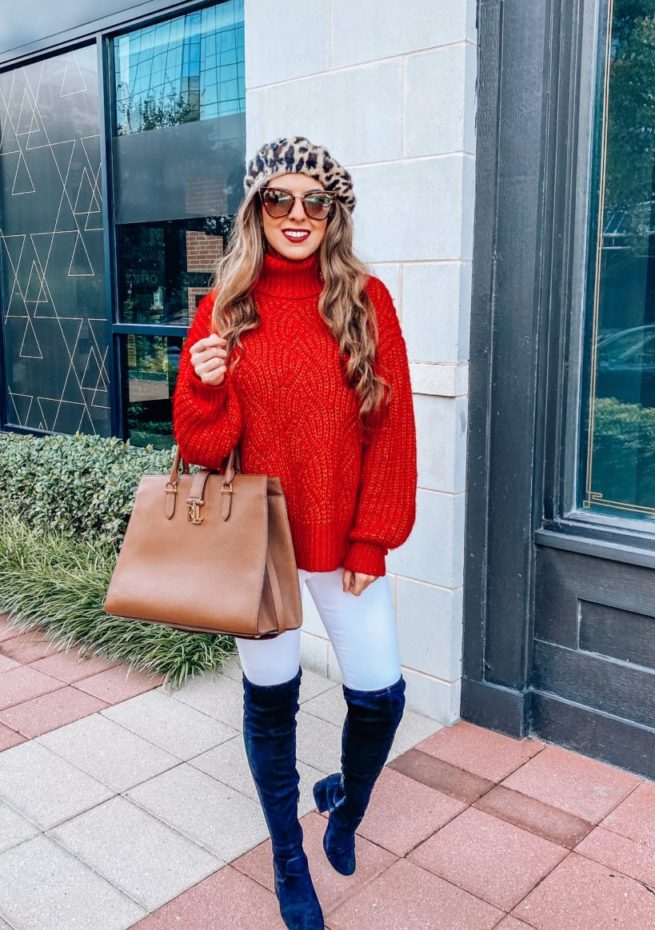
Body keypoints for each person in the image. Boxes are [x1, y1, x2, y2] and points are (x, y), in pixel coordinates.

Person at [172, 135, 417, 930]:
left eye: (315, 200)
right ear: (256, 210)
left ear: (333, 212)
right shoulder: (221, 310)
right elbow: (201, 448)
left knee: (378, 698)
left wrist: (370, 539)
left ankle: (342, 806)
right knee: (271, 704)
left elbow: (392, 429)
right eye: (279, 198)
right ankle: (287, 856)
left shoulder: (365, 301)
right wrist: (206, 392)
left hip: (345, 541)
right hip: (260, 547)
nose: (297, 213)